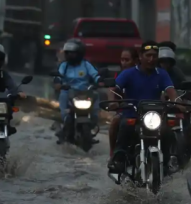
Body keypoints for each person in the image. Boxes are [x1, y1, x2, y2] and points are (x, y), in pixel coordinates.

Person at [108, 41, 180, 172]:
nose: (151, 59)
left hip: (155, 117)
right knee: (124, 127)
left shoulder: (162, 74)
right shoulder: (128, 73)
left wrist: (177, 103)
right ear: (140, 56)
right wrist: (113, 101)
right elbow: (114, 89)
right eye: (148, 55)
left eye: (154, 55)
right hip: (132, 115)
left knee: (168, 132)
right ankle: (118, 158)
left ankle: (171, 159)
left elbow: (171, 91)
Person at [53, 39, 101, 144]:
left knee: (97, 95)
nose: (70, 55)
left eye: (73, 53)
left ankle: (93, 122)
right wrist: (58, 83)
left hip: (85, 93)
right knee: (63, 99)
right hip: (69, 92)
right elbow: (58, 76)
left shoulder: (86, 65)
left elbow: (95, 75)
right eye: (68, 53)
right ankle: (65, 125)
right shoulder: (64, 66)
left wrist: (99, 81)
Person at [108, 48, 139, 156]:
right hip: (126, 111)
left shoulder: (146, 73)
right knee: (115, 122)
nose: (124, 63)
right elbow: (113, 89)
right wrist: (113, 102)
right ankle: (114, 154)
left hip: (146, 111)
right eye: (122, 60)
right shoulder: (120, 75)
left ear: (135, 61)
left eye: (127, 60)